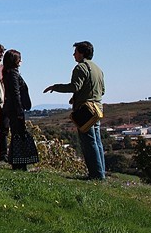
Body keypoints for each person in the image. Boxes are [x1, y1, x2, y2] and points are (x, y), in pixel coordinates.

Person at [44, 41, 106, 180]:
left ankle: (96, 175)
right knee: (97, 141)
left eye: (76, 52)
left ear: (82, 53)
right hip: (98, 107)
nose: (74, 55)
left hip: (86, 110)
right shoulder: (97, 69)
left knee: (89, 142)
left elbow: (75, 86)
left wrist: (55, 87)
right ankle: (101, 173)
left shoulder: (80, 68)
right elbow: (102, 90)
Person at [2, 49, 34, 170]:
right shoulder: (13, 74)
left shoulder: (9, 73)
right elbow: (16, 93)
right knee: (18, 134)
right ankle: (19, 163)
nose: (21, 61)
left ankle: (18, 161)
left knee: (17, 134)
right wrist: (19, 109)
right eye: (19, 59)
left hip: (12, 108)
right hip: (15, 109)